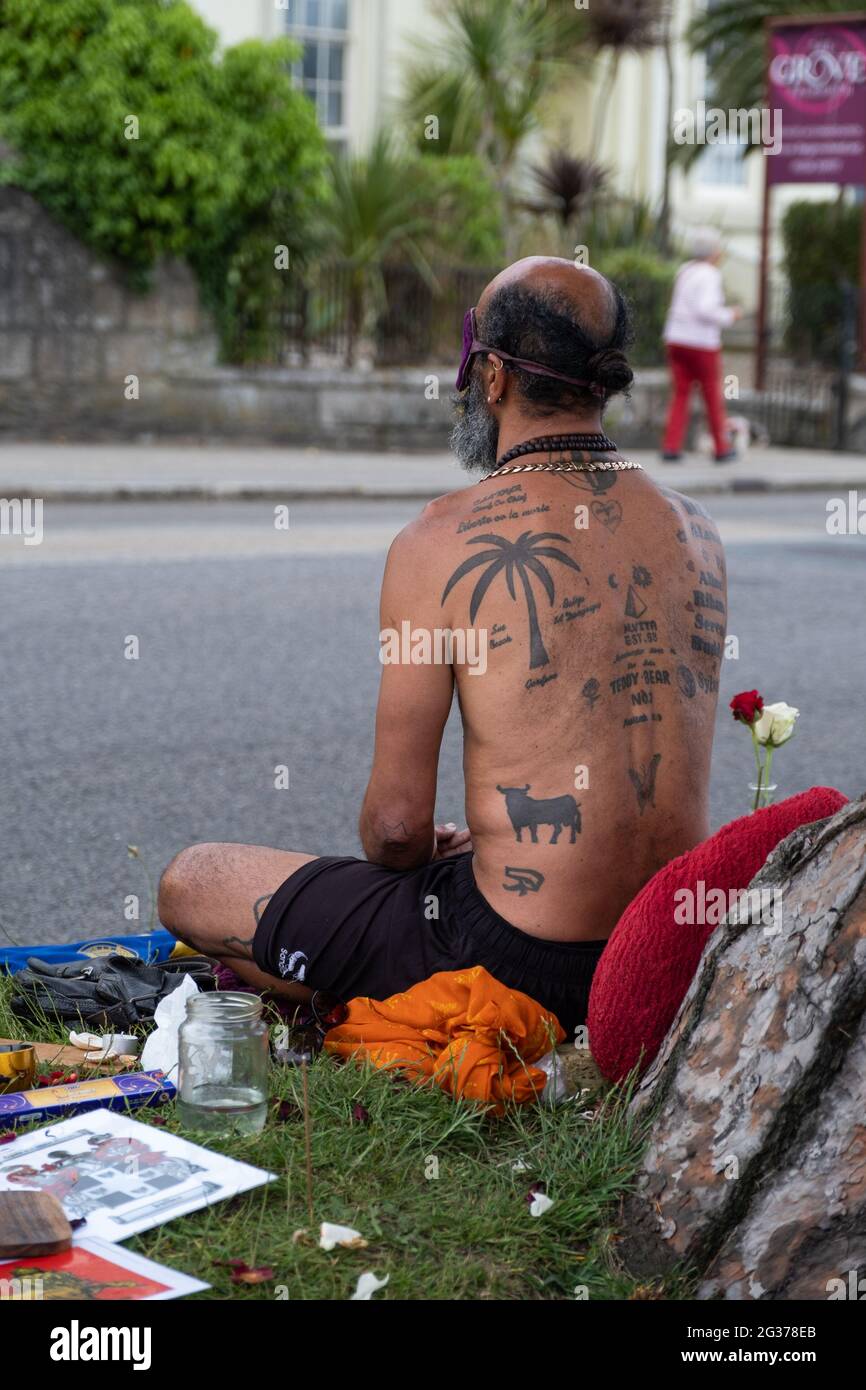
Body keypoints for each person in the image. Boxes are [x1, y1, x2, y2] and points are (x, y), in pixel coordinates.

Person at [158, 257, 725, 1039]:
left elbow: (394, 832)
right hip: (665, 947)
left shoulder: (440, 539)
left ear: (491, 378)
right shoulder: (698, 529)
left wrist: (433, 851)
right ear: (603, 381)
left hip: (520, 957)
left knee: (192, 882)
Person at [661, 227, 741, 464]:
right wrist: (730, 315)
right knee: (712, 395)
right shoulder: (710, 274)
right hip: (702, 342)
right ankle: (721, 448)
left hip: (676, 337)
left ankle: (671, 446)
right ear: (713, 252)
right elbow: (706, 309)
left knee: (681, 394)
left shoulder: (684, 270)